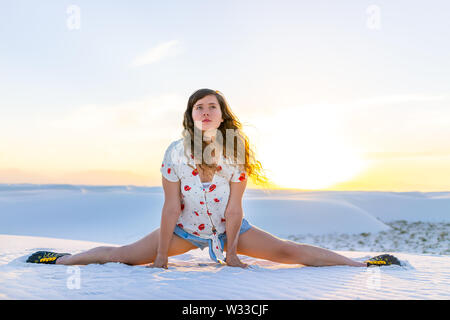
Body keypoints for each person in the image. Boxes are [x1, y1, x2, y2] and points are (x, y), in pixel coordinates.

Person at [26, 89, 400, 268]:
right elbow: (171, 205)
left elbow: (236, 207)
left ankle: (364, 265)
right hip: (184, 231)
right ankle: (58, 261)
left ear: (222, 115)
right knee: (122, 256)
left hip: (229, 229)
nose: (205, 112)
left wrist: (232, 252)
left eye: (212, 107)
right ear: (191, 116)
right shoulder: (175, 151)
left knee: (290, 251)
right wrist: (160, 256)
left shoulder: (237, 149)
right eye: (198, 108)